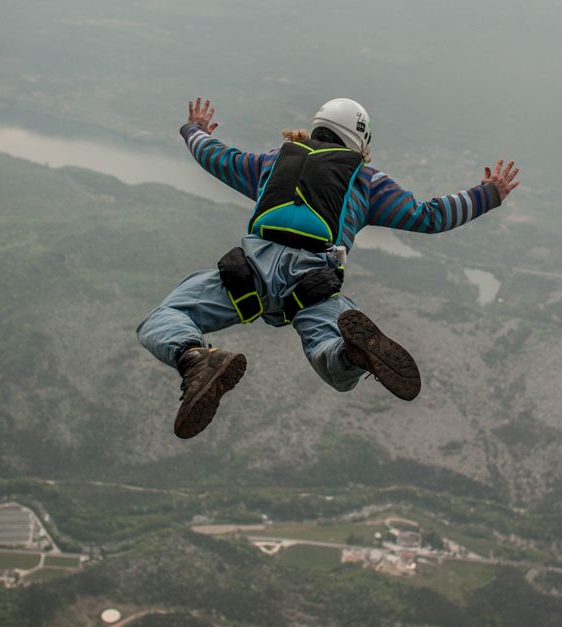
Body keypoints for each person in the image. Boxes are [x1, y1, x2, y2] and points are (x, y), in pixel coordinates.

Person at [137, 97, 520, 439]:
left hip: (250, 273)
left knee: (165, 317)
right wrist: (486, 195)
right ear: (361, 143)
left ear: (318, 125)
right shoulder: (367, 181)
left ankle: (194, 359)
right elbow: (428, 216)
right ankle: (350, 353)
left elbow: (216, 156)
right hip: (312, 284)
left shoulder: (273, 161)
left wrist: (194, 129)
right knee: (333, 365)